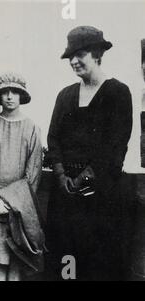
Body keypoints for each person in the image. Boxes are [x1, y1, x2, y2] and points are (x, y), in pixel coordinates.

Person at [46, 26, 133, 280]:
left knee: (98, 265)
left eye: (80, 54)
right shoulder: (65, 96)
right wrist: (63, 178)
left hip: (100, 198)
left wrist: (83, 180)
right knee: (65, 264)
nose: (73, 61)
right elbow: (53, 138)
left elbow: (115, 147)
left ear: (96, 54)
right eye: (70, 56)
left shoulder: (118, 93)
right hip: (64, 198)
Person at [0, 73, 44, 281]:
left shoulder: (32, 128)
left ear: (21, 95)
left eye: (14, 92)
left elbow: (33, 172)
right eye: (4, 92)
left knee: (15, 261)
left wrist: (16, 202)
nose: (9, 97)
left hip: (19, 207)